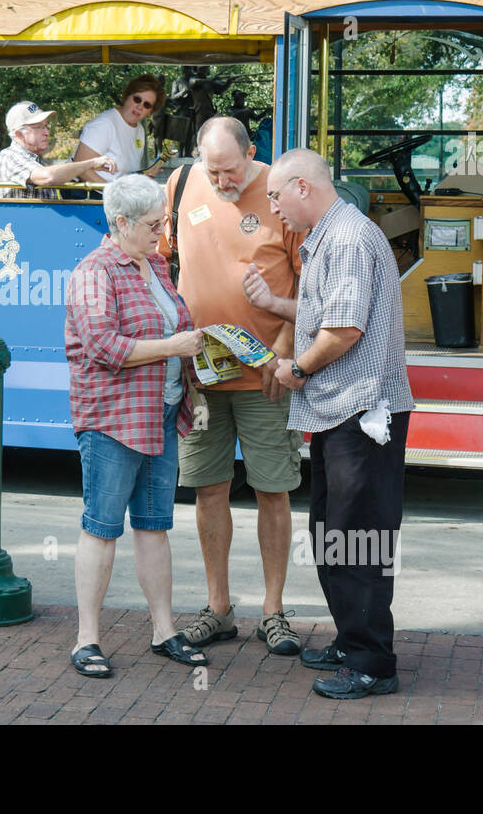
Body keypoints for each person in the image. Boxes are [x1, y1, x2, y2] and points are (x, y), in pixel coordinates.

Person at [245, 146, 415, 699]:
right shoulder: (335, 236)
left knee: (356, 537)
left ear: (302, 187)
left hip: (359, 411)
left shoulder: (343, 240)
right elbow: (329, 312)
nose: (272, 210)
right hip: (345, 411)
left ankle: (372, 662)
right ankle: (352, 639)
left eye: (275, 196)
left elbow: (343, 331)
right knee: (333, 531)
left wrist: (296, 366)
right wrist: (275, 302)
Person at [159, 116, 306, 658]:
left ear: (251, 154)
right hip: (202, 373)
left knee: (273, 488)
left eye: (229, 170)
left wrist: (286, 353)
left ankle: (274, 611)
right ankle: (218, 608)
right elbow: (164, 259)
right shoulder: (181, 184)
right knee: (208, 488)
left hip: (266, 372)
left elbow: (307, 280)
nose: (219, 180)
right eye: (210, 169)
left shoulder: (279, 192)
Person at [64, 173, 208, 678]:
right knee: (102, 529)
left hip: (160, 414)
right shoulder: (94, 271)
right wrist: (174, 349)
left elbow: (180, 328)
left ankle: (164, 629)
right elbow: (104, 347)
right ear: (120, 222)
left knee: (154, 527)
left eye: (164, 221)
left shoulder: (156, 265)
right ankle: (86, 640)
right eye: (153, 224)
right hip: (113, 420)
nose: (161, 232)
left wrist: (194, 382)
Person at [0, 100, 116, 200]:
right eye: (39, 127)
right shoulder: (10, 156)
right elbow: (49, 176)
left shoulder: (37, 161)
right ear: (19, 134)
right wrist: (90, 163)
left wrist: (80, 169)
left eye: (46, 126)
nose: (46, 132)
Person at [72, 74, 168, 181]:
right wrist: (113, 190)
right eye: (137, 99)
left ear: (151, 111)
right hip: (86, 194)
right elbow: (79, 167)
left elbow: (123, 173)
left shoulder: (139, 129)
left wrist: (143, 176)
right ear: (127, 96)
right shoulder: (105, 123)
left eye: (147, 105)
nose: (140, 106)